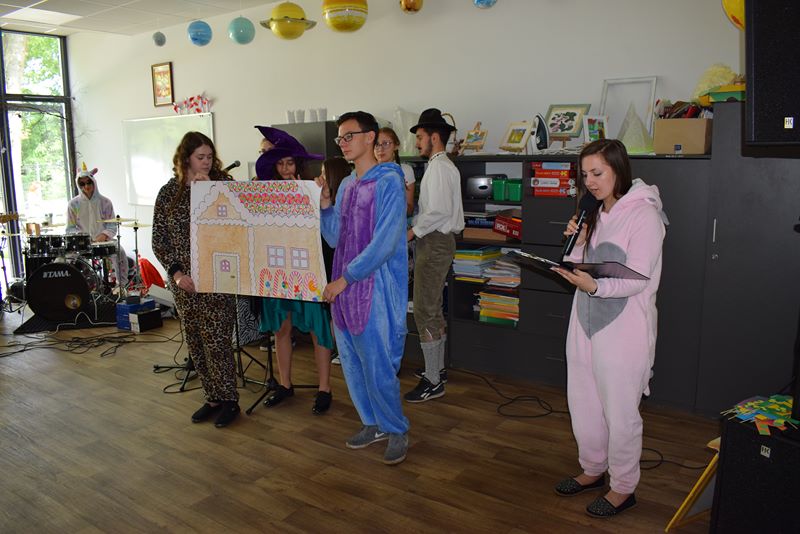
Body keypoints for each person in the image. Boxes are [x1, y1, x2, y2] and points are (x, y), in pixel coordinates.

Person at [551, 139, 667, 518]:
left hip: (624, 330)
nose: (590, 182)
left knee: (620, 412)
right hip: (585, 323)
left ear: (618, 169)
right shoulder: (595, 212)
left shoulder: (644, 215)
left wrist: (596, 287)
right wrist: (578, 244)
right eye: (585, 175)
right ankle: (593, 468)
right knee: (583, 403)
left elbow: (637, 278)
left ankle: (623, 488)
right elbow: (578, 266)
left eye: (597, 173)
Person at [317, 111, 409, 465]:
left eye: (349, 136)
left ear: (370, 137)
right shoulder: (347, 185)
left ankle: (396, 428)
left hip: (375, 289)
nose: (342, 143)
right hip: (345, 289)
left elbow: (385, 242)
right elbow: (335, 238)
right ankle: (372, 422)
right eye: (339, 138)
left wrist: (346, 278)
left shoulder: (389, 181)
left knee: (378, 363)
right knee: (353, 363)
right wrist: (326, 205)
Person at [152, 131, 240, 428]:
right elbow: (159, 239)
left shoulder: (223, 184)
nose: (206, 162)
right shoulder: (169, 192)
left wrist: (210, 191)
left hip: (218, 276)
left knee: (218, 340)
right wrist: (177, 273)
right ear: (186, 158)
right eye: (200, 157)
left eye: (210, 157)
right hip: (184, 281)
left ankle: (229, 400)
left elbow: (238, 224)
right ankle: (212, 397)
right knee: (195, 340)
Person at [254, 126, 334, 415]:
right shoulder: (265, 193)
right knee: (281, 328)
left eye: (290, 163)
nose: (286, 169)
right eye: (281, 164)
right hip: (278, 269)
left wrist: (318, 199)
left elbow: (328, 228)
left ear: (297, 164)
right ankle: (285, 384)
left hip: (308, 269)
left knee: (318, 329)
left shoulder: (313, 187)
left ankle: (324, 388)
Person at [404, 108, 464, 403]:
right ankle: (436, 370)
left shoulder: (439, 167)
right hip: (438, 241)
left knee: (424, 310)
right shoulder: (441, 165)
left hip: (435, 241)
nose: (417, 143)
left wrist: (411, 232)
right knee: (433, 308)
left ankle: (432, 381)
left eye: (419, 137)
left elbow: (437, 211)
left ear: (434, 137)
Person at [66, 164, 128, 290]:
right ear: (78, 185)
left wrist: (103, 236)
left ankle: (121, 287)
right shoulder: (73, 204)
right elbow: (70, 228)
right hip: (82, 243)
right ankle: (74, 289)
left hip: (104, 241)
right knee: (65, 259)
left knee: (120, 252)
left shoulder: (105, 202)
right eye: (82, 184)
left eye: (89, 182)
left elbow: (112, 225)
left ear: (94, 182)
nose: (86, 186)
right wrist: (83, 238)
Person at [318, 156, 352, 367]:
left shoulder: (345, 198)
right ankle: (341, 349)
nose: (321, 177)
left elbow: (333, 238)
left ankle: (342, 349)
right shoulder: (330, 201)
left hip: (342, 266)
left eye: (324, 173)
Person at [375, 127, 416, 215]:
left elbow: (410, 209)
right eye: (376, 144)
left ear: (396, 146)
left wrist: (394, 204)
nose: (380, 149)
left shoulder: (405, 171)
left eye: (385, 143)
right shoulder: (369, 172)